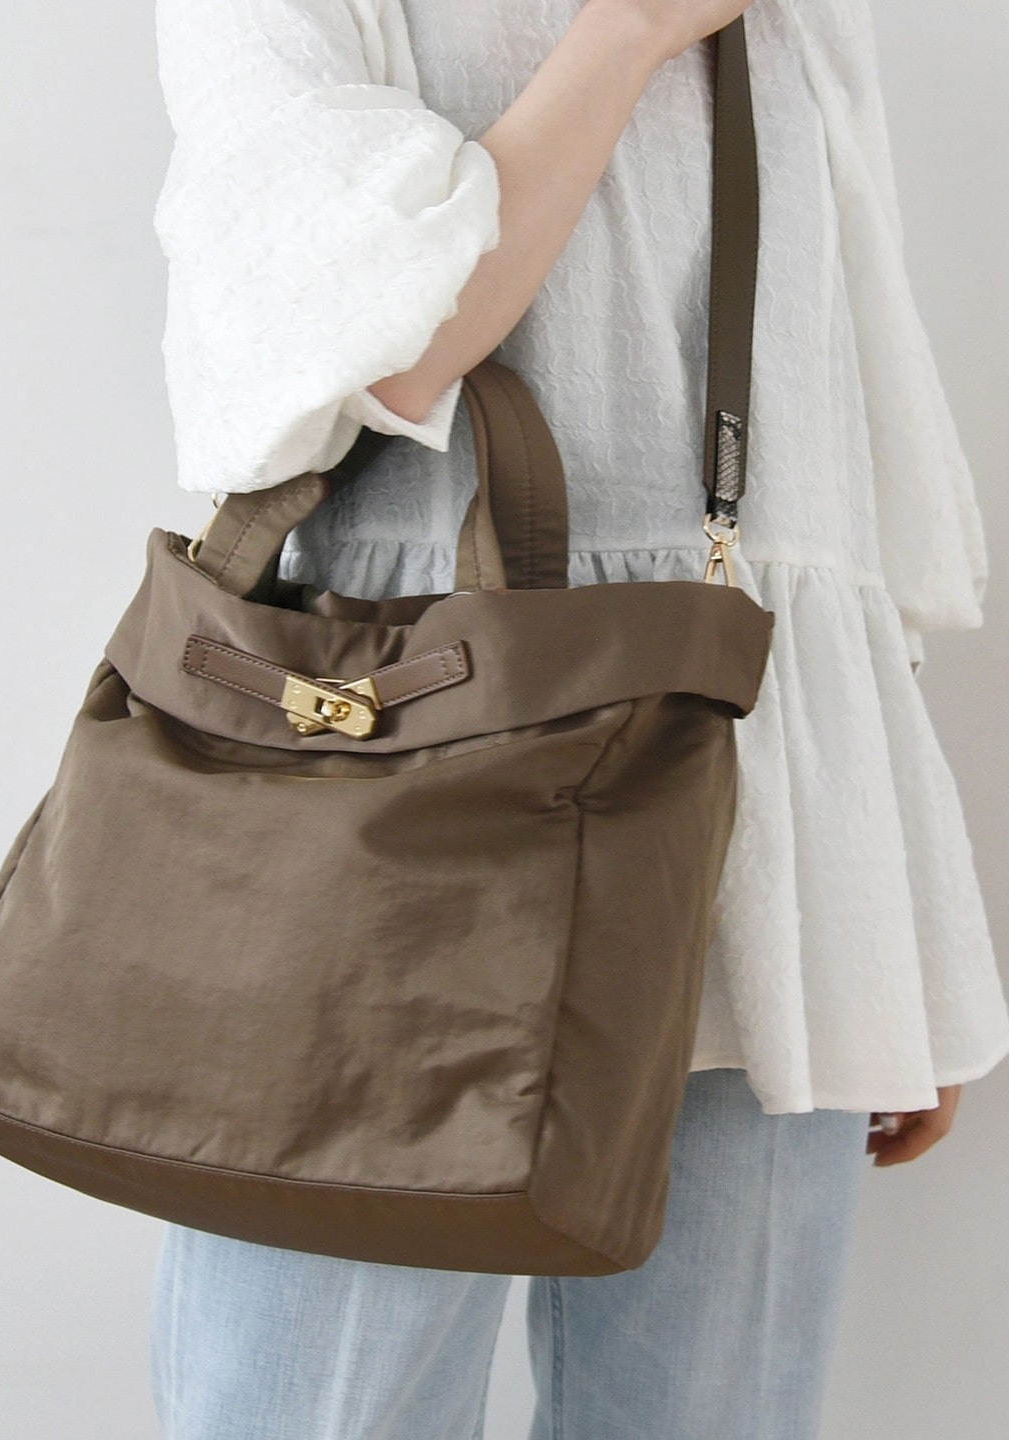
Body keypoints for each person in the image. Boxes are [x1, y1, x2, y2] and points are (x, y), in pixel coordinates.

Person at [146, 1, 1009, 1436]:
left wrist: (885, 928)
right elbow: (382, 350)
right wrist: (630, 33)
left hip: (756, 812)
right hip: (397, 786)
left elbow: (835, 434)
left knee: (716, 1413)